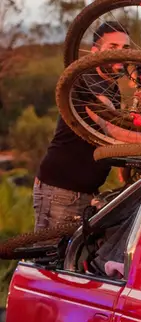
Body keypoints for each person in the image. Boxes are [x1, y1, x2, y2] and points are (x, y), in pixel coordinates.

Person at [33, 22, 131, 232]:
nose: (119, 54)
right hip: (61, 191)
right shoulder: (86, 82)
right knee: (50, 258)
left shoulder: (112, 86)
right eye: (112, 47)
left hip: (84, 192)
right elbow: (112, 129)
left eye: (125, 49)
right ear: (95, 51)